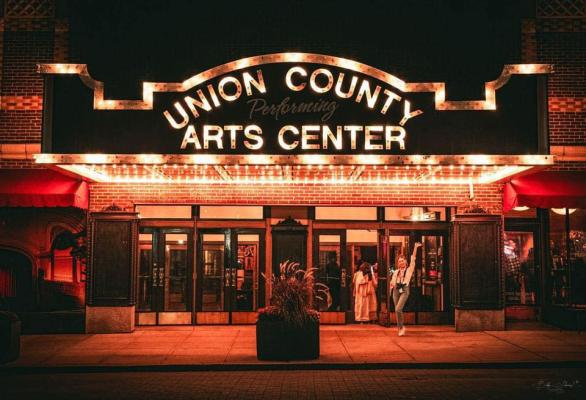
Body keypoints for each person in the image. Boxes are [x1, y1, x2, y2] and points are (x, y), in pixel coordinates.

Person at [390, 242, 422, 336]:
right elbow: (392, 281)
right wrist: (391, 287)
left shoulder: (409, 270)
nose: (401, 262)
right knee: (397, 310)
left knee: (398, 309)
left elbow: (413, 259)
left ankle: (401, 328)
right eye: (399, 261)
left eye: (402, 261)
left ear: (405, 261)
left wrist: (415, 247)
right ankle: (400, 327)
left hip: (404, 289)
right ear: (398, 263)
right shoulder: (396, 272)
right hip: (396, 289)